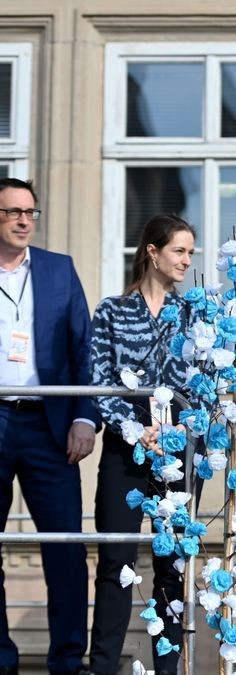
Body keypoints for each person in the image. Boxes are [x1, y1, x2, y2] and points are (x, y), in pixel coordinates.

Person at [88, 214, 195, 675]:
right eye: (180, 251)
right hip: (124, 448)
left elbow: (202, 384)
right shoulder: (111, 311)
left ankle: (166, 670)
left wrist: (176, 432)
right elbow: (98, 382)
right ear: (152, 251)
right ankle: (104, 666)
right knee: (115, 560)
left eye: (191, 253)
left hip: (175, 449)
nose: (187, 261)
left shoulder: (191, 314)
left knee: (171, 566)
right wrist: (134, 431)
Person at [0, 178, 98, 675]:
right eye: (12, 212)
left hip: (50, 420)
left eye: (30, 212)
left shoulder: (59, 269)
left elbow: (85, 348)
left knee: (64, 549)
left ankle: (67, 662)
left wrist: (85, 415)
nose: (22, 220)